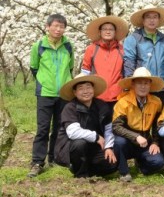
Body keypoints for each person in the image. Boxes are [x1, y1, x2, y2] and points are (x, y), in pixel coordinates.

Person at [28, 13, 75, 177]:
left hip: (64, 93)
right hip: (45, 93)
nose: (58, 29)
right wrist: (44, 82)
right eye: (55, 26)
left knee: (59, 127)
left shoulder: (68, 46)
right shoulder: (38, 45)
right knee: (43, 128)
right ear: (47, 27)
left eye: (61, 26)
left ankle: (54, 158)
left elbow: (70, 67)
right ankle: (37, 162)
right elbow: (34, 67)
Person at [54, 74, 117, 178]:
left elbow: (108, 129)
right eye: (81, 88)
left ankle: (88, 168)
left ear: (93, 89)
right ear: (75, 92)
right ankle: (80, 173)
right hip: (71, 146)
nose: (86, 91)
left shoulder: (101, 105)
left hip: (94, 147)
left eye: (88, 87)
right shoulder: (70, 107)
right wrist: (96, 136)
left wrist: (108, 147)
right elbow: (73, 132)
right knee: (80, 144)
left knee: (112, 164)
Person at [112, 67, 164, 182]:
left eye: (146, 83)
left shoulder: (156, 102)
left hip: (146, 140)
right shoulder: (123, 103)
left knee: (159, 162)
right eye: (139, 83)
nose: (143, 86)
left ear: (150, 85)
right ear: (133, 85)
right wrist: (135, 136)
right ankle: (124, 172)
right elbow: (116, 127)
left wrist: (155, 142)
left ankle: (142, 166)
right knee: (118, 142)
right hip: (127, 141)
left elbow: (156, 125)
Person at [124, 5, 164, 105]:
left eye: (155, 17)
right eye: (148, 17)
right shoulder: (133, 39)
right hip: (142, 88)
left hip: (162, 88)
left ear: (159, 20)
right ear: (143, 20)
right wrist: (130, 85)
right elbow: (129, 62)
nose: (152, 20)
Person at [81, 15, 128, 108]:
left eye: (111, 29)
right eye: (104, 29)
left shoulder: (122, 50)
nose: (108, 31)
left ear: (115, 32)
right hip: (97, 96)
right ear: (100, 31)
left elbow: (126, 71)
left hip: (117, 97)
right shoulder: (92, 49)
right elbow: (85, 71)